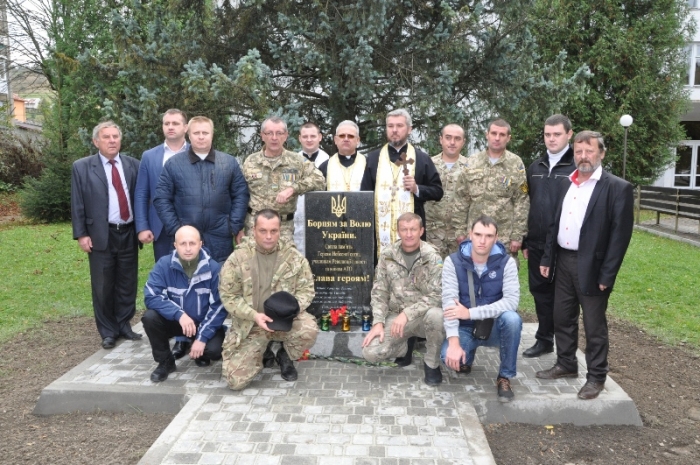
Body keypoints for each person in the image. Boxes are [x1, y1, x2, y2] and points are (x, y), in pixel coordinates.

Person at [536, 131, 634, 400]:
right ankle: (566, 364)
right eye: (579, 151)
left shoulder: (616, 188)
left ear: (601, 153)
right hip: (564, 261)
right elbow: (553, 226)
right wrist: (547, 258)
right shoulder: (567, 183)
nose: (583, 156)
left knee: (594, 326)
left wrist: (608, 274)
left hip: (593, 266)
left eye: (589, 151)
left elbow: (620, 237)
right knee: (562, 318)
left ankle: (596, 376)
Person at [219, 209, 319, 389]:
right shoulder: (238, 259)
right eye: (263, 231)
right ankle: (261, 352)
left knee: (309, 329)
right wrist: (253, 315)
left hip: (285, 321)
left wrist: (291, 308)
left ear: (280, 231)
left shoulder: (293, 257)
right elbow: (228, 296)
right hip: (252, 323)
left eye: (274, 231)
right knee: (235, 381)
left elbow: (307, 290)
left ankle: (284, 355)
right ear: (253, 230)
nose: (268, 236)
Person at [71, 121, 141, 349]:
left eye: (115, 137)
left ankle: (123, 324)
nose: (112, 140)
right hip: (101, 234)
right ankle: (108, 331)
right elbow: (77, 203)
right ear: (96, 141)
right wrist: (81, 234)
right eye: (106, 137)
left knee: (127, 282)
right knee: (103, 285)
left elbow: (140, 199)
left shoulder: (133, 165)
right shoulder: (82, 167)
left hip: (128, 233)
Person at [441, 216, 522, 402]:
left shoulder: (507, 262)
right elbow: (449, 304)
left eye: (488, 236)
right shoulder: (452, 262)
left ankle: (504, 376)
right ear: (470, 235)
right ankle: (466, 356)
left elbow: (511, 302)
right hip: (465, 326)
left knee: (512, 319)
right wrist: (454, 344)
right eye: (477, 234)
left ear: (496, 237)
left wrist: (470, 312)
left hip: (493, 326)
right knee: (447, 356)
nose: (482, 240)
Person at [361, 213, 445, 386]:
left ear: (421, 231)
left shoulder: (433, 257)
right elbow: (379, 292)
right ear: (398, 231)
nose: (408, 234)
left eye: (413, 229)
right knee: (370, 352)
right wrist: (378, 322)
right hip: (396, 316)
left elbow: (437, 295)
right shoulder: (388, 255)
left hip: (423, 318)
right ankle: (404, 346)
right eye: (404, 230)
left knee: (437, 316)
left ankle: (432, 363)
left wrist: (407, 314)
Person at [154, 115, 249, 266]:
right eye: (196, 133)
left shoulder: (228, 163)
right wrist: (176, 229)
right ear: (189, 135)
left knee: (221, 282)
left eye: (205, 133)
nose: (201, 137)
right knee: (188, 283)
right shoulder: (174, 164)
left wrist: (233, 225)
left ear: (212, 134)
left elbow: (241, 194)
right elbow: (162, 198)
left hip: (220, 238)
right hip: (187, 240)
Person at [141, 226, 228, 382]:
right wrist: (179, 314)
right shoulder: (163, 265)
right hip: (177, 321)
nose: (188, 248)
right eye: (183, 244)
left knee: (215, 351)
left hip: (202, 323)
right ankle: (165, 362)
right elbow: (151, 295)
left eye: (192, 243)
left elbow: (219, 307)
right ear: (175, 245)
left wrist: (201, 338)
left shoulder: (214, 268)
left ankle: (198, 349)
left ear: (200, 244)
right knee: (150, 317)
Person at [521, 114, 576, 358]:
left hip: (564, 245)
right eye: (547, 134)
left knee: (563, 297)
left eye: (557, 134)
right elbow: (527, 204)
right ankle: (544, 339)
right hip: (536, 243)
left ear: (569, 134)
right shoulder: (535, 167)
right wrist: (525, 239)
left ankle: (566, 350)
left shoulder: (576, 166)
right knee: (540, 293)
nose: (551, 139)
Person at [360, 109, 443, 256]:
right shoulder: (373, 158)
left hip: (412, 234)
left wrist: (417, 188)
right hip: (380, 233)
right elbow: (364, 196)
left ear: (409, 129)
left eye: (399, 126)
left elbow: (437, 191)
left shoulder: (421, 158)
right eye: (390, 126)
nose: (394, 130)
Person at [243, 116, 325, 244]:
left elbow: (319, 180)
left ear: (286, 135)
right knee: (253, 264)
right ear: (262, 136)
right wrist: (238, 228)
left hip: (283, 228)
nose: (274, 137)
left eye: (279, 133)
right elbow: (239, 194)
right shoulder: (250, 161)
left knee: (284, 264)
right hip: (255, 227)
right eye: (269, 133)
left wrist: (293, 189)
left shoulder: (297, 161)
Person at [457, 119, 529, 266]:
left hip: (504, 238)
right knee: (473, 280)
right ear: (487, 135)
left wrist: (517, 235)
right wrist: (460, 231)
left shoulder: (516, 164)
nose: (497, 138)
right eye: (494, 133)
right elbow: (461, 198)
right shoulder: (472, 162)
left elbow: (522, 200)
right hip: (474, 237)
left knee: (504, 282)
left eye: (502, 134)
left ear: (508, 138)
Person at [134, 109, 189, 261]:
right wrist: (142, 226)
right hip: (161, 225)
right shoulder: (149, 156)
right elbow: (141, 193)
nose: (170, 127)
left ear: (185, 127)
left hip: (191, 223)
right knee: (165, 271)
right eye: (166, 123)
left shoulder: (196, 153)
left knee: (193, 272)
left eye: (175, 123)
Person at [424, 123, 469, 258]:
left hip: (460, 235)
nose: (452, 142)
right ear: (441, 139)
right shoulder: (428, 165)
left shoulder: (471, 167)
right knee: (433, 274)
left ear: (463, 142)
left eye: (457, 138)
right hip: (432, 234)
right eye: (448, 137)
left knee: (459, 276)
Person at [293, 122, 330, 255]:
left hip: (322, 218)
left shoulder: (329, 162)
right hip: (298, 218)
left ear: (320, 137)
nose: (309, 140)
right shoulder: (292, 162)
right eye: (305, 136)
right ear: (299, 138)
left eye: (313, 136)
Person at [318, 120, 367, 191]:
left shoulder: (368, 165)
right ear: (335, 140)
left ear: (357, 140)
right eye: (342, 136)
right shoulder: (324, 167)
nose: (346, 139)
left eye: (350, 136)